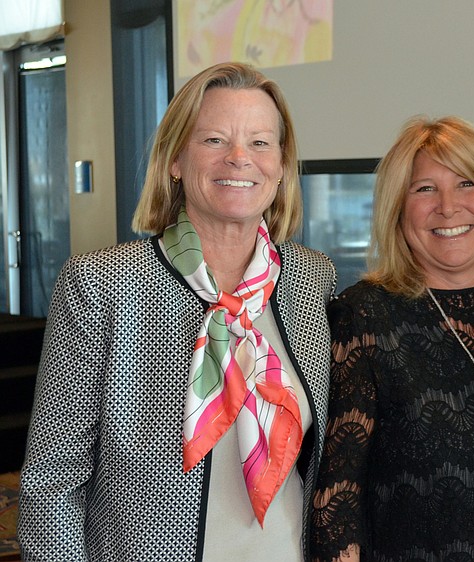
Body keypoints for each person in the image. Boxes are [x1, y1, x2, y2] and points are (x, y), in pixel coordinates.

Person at [18, 62, 336, 561]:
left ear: (280, 165)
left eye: (259, 142)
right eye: (213, 140)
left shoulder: (312, 280)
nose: (239, 158)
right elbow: (51, 484)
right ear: (176, 160)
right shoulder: (100, 283)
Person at [309, 115, 474, 562]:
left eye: (467, 183)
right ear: (398, 208)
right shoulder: (364, 315)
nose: (448, 207)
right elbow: (339, 498)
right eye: (424, 189)